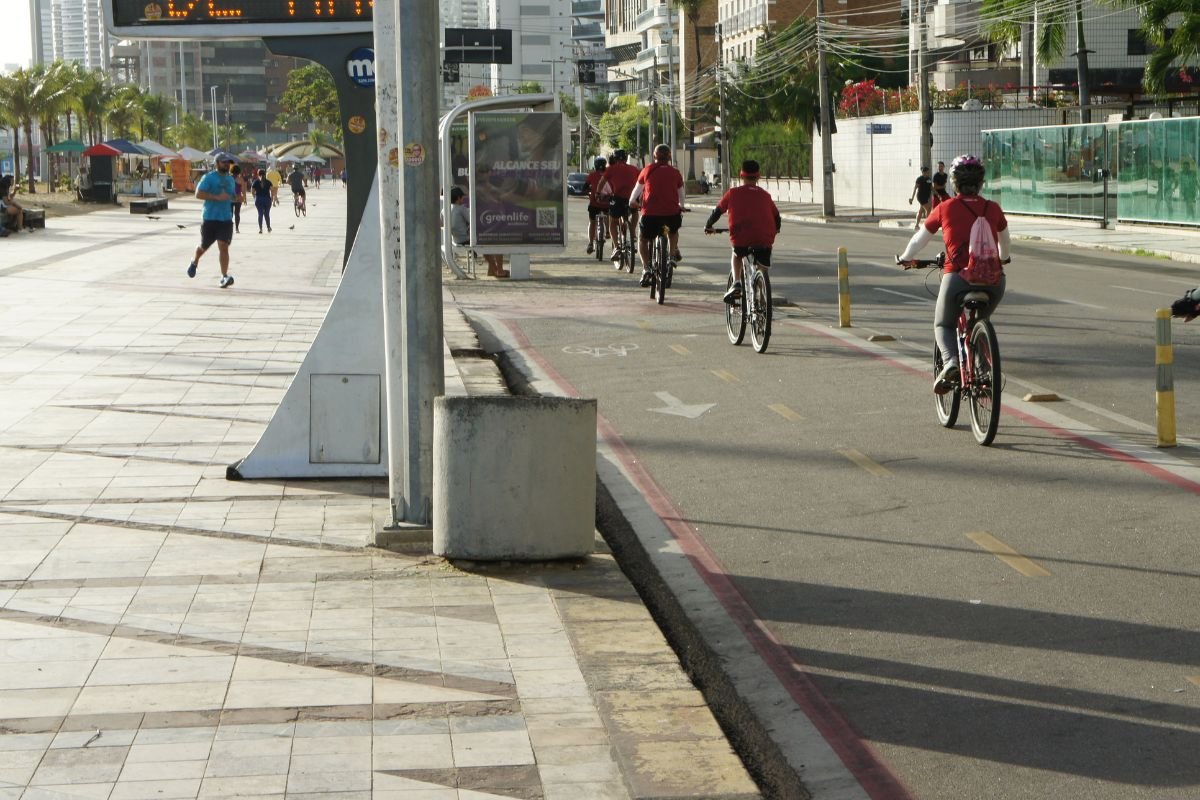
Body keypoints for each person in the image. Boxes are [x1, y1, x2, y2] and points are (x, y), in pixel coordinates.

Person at [897, 155, 1011, 394]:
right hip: (994, 281)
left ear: (954, 184)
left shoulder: (945, 208)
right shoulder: (992, 208)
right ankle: (983, 369)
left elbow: (920, 239)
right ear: (981, 184)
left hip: (958, 277)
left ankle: (950, 363)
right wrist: (1002, 259)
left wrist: (906, 257)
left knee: (943, 324)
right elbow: (1005, 242)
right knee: (981, 320)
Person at [704, 160, 782, 305]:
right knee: (762, 267)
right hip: (764, 239)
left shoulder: (732, 193)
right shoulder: (766, 196)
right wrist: (776, 229)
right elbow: (777, 217)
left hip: (740, 236)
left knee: (737, 254)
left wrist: (708, 225)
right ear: (758, 176)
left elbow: (718, 211)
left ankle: (737, 282)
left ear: (741, 175)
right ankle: (763, 295)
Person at [630, 144, 686, 287]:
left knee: (642, 239)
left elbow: (636, 192)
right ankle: (672, 256)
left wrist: (632, 202)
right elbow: (681, 195)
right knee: (671, 231)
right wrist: (681, 206)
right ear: (669, 157)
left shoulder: (647, 170)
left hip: (650, 218)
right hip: (670, 217)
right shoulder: (675, 173)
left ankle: (646, 268)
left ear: (654, 156)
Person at [187, 153, 237, 288]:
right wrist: (216, 197)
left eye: (228, 162)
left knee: (224, 247)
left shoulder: (231, 180)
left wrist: (236, 198)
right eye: (223, 162)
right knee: (203, 248)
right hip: (210, 218)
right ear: (217, 163)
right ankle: (194, 261)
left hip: (226, 219)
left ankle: (224, 276)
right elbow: (198, 194)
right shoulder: (208, 178)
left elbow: (232, 196)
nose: (226, 164)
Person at [448, 186, 508, 278]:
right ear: (458, 198)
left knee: (486, 241)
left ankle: (492, 269)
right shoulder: (461, 209)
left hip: (456, 239)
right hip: (465, 239)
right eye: (462, 197)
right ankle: (499, 270)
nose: (464, 199)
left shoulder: (447, 209)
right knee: (496, 241)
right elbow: (473, 221)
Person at [594, 149, 641, 266]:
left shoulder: (611, 169)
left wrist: (598, 193)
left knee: (613, 222)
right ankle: (633, 233)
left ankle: (616, 247)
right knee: (635, 213)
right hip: (631, 199)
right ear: (625, 159)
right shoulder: (634, 169)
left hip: (618, 199)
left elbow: (601, 182)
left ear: (614, 159)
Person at [585, 157, 609, 254]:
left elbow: (585, 187)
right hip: (607, 204)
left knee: (592, 222)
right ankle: (607, 232)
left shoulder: (592, 175)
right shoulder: (608, 174)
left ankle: (590, 243)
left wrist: (589, 193)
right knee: (608, 216)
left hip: (594, 204)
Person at [251, 168, 274, 233]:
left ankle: (260, 229)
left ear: (258, 174)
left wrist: (255, 197)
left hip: (258, 199)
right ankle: (268, 227)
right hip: (267, 199)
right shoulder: (268, 182)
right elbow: (272, 191)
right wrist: (272, 198)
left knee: (260, 214)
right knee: (267, 214)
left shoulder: (255, 182)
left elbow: (252, 191)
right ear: (265, 174)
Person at [230, 164, 245, 233]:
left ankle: (229, 227)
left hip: (229, 198)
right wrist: (244, 198)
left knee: (229, 213)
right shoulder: (240, 179)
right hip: (238, 198)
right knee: (237, 213)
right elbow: (243, 190)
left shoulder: (228, 178)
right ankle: (237, 228)